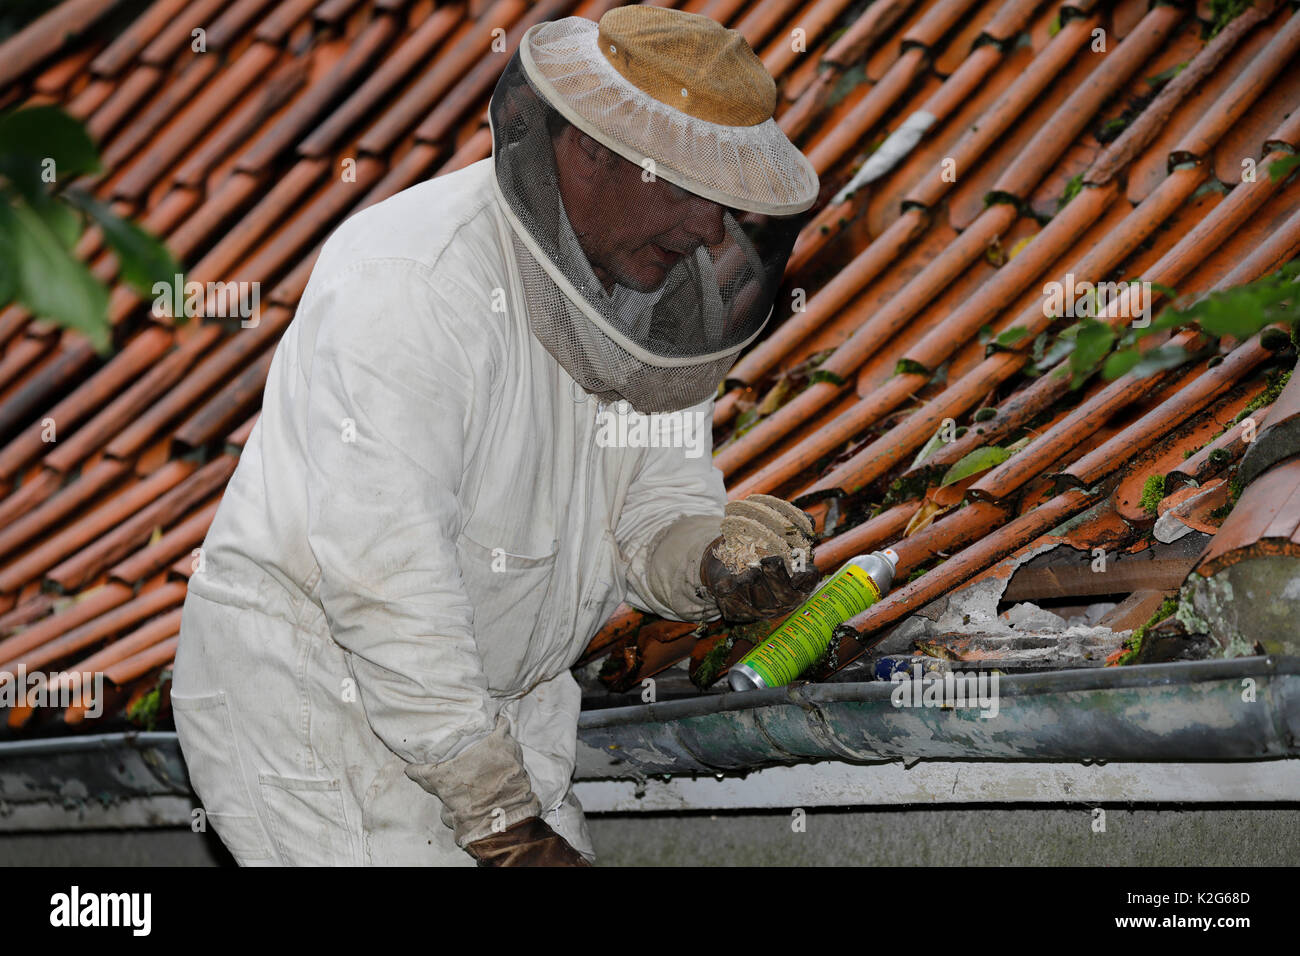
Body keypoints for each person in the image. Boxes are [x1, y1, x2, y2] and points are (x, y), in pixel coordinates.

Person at [172, 5, 821, 867]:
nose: (711, 235)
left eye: (727, 206)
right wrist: (503, 826)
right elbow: (383, 577)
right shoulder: (411, 282)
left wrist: (713, 559)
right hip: (318, 704)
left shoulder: (658, 304)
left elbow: (652, 509)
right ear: (590, 149)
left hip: (504, 703)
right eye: (694, 192)